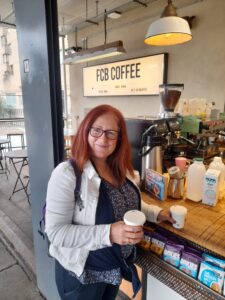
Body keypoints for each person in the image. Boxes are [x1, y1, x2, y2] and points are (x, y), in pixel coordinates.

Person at [45, 104, 174, 300]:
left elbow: (127, 204)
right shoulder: (67, 174)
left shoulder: (120, 169)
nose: (103, 138)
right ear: (85, 131)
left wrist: (157, 213)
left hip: (113, 272)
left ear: (119, 138)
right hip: (81, 278)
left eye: (111, 133)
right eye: (96, 130)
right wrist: (109, 233)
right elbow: (56, 232)